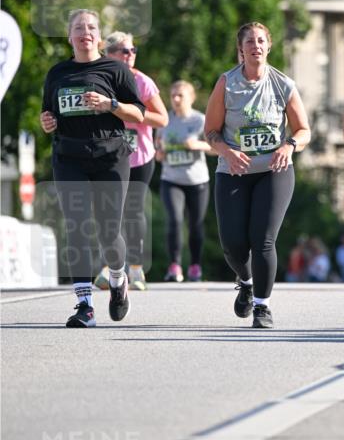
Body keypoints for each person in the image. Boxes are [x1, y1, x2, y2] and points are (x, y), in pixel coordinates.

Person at [40, 9, 145, 327]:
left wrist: (109, 105)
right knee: (76, 226)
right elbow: (48, 115)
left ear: (98, 36)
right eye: (78, 27)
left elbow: (138, 114)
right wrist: (46, 122)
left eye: (91, 27)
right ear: (69, 35)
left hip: (110, 158)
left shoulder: (114, 69)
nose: (85, 31)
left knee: (109, 231)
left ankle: (117, 279)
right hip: (69, 158)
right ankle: (84, 305)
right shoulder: (57, 73)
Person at [204, 22, 310, 328]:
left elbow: (304, 131)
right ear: (241, 49)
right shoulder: (227, 83)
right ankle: (247, 281)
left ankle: (262, 306)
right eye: (250, 41)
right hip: (234, 170)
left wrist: (289, 146)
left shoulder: (283, 84)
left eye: (261, 41)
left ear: (269, 46)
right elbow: (210, 132)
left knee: (263, 240)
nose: (256, 46)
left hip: (274, 170)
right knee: (233, 244)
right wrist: (226, 151)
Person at [95, 32, 168, 291]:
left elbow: (162, 119)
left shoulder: (142, 81)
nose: (130, 55)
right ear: (108, 53)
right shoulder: (99, 79)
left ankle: (136, 269)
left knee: (133, 211)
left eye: (133, 50)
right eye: (124, 50)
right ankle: (110, 266)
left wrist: (128, 111)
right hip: (109, 155)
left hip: (139, 156)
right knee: (110, 213)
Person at [156, 81, 211, 283]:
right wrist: (159, 154)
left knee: (196, 225)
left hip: (198, 181)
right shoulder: (164, 121)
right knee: (175, 220)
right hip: (171, 179)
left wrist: (197, 144)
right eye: (173, 96)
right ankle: (175, 266)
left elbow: (216, 148)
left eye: (181, 95)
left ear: (191, 98)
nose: (176, 100)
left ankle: (195, 266)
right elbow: (157, 152)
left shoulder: (200, 120)